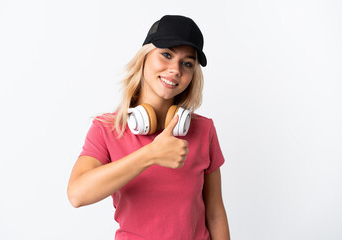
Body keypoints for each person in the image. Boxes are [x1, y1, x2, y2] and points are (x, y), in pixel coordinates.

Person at [67, 15, 230, 240]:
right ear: (144, 57)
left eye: (187, 63)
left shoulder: (204, 130)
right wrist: (150, 154)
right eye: (166, 54)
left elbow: (215, 214)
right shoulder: (107, 129)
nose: (175, 69)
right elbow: (77, 195)